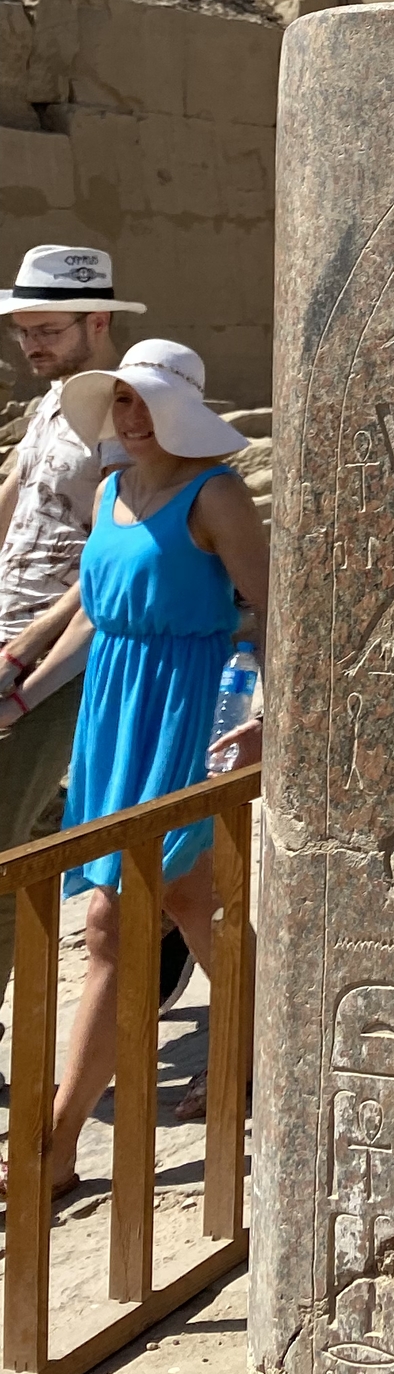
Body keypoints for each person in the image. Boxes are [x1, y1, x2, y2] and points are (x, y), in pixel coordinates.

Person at [0, 340, 266, 1195]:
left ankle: (50, 1145)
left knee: (115, 926)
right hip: (115, 716)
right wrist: (26, 671)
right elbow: (92, 602)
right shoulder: (115, 487)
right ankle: (272, 1048)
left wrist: (269, 719)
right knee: (192, 905)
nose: (132, 416)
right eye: (120, 402)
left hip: (184, 718)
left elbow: (272, 611)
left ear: (181, 404)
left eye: (146, 400)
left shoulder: (216, 494)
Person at [0, 248, 144, 1024]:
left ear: (99, 321)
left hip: (61, 654)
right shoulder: (46, 407)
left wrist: (29, 654)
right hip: (10, 631)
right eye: (23, 331)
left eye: (48, 329)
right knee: (32, 820)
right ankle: (134, 871)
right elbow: (15, 505)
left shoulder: (120, 416)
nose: (31, 345)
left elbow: (113, 554)